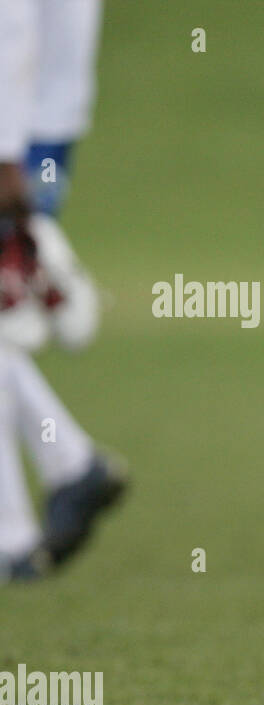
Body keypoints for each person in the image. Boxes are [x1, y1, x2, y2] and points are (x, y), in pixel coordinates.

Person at [0, 0, 126, 582]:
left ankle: (16, 531)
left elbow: (14, 24)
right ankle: (70, 466)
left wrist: (7, 159)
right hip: (44, 135)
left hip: (19, 143)